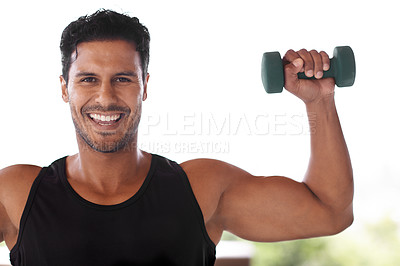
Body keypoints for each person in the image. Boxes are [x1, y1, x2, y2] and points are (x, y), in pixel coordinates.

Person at [0, 9, 354, 266]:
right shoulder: (17, 193)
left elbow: (330, 212)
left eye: (123, 79)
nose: (105, 97)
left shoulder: (201, 188)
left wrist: (319, 101)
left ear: (145, 87)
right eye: (88, 79)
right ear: (65, 89)